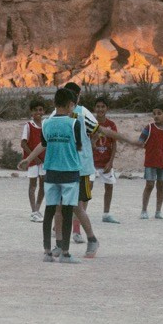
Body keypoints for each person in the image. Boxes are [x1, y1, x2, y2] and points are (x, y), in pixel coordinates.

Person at [19, 88, 84, 263]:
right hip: (70, 171)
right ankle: (65, 252)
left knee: (49, 211)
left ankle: (47, 251)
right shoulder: (74, 123)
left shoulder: (46, 123)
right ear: (71, 105)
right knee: (67, 211)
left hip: (51, 172)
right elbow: (78, 147)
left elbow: (43, 144)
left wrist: (28, 159)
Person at [60, 82, 99, 255]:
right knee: (63, 203)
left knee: (75, 204)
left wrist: (86, 147)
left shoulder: (81, 112)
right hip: (66, 165)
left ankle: (88, 237)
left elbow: (96, 130)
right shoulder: (62, 114)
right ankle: (62, 242)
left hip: (78, 167)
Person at [91, 95, 120, 223]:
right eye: (98, 106)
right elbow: (87, 142)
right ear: (94, 108)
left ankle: (106, 213)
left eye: (103, 106)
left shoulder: (111, 125)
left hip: (105, 161)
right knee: (87, 186)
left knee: (109, 186)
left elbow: (114, 144)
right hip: (91, 161)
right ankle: (81, 212)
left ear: (107, 108)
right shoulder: (91, 123)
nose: (100, 109)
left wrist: (111, 161)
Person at [20, 99, 47, 222]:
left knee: (43, 185)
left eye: (40, 110)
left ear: (44, 111)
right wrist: (33, 157)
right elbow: (23, 143)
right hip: (32, 161)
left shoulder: (46, 125)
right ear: (31, 112)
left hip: (44, 160)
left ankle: (37, 208)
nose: (38, 112)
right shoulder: (28, 126)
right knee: (33, 184)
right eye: (35, 110)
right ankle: (33, 211)